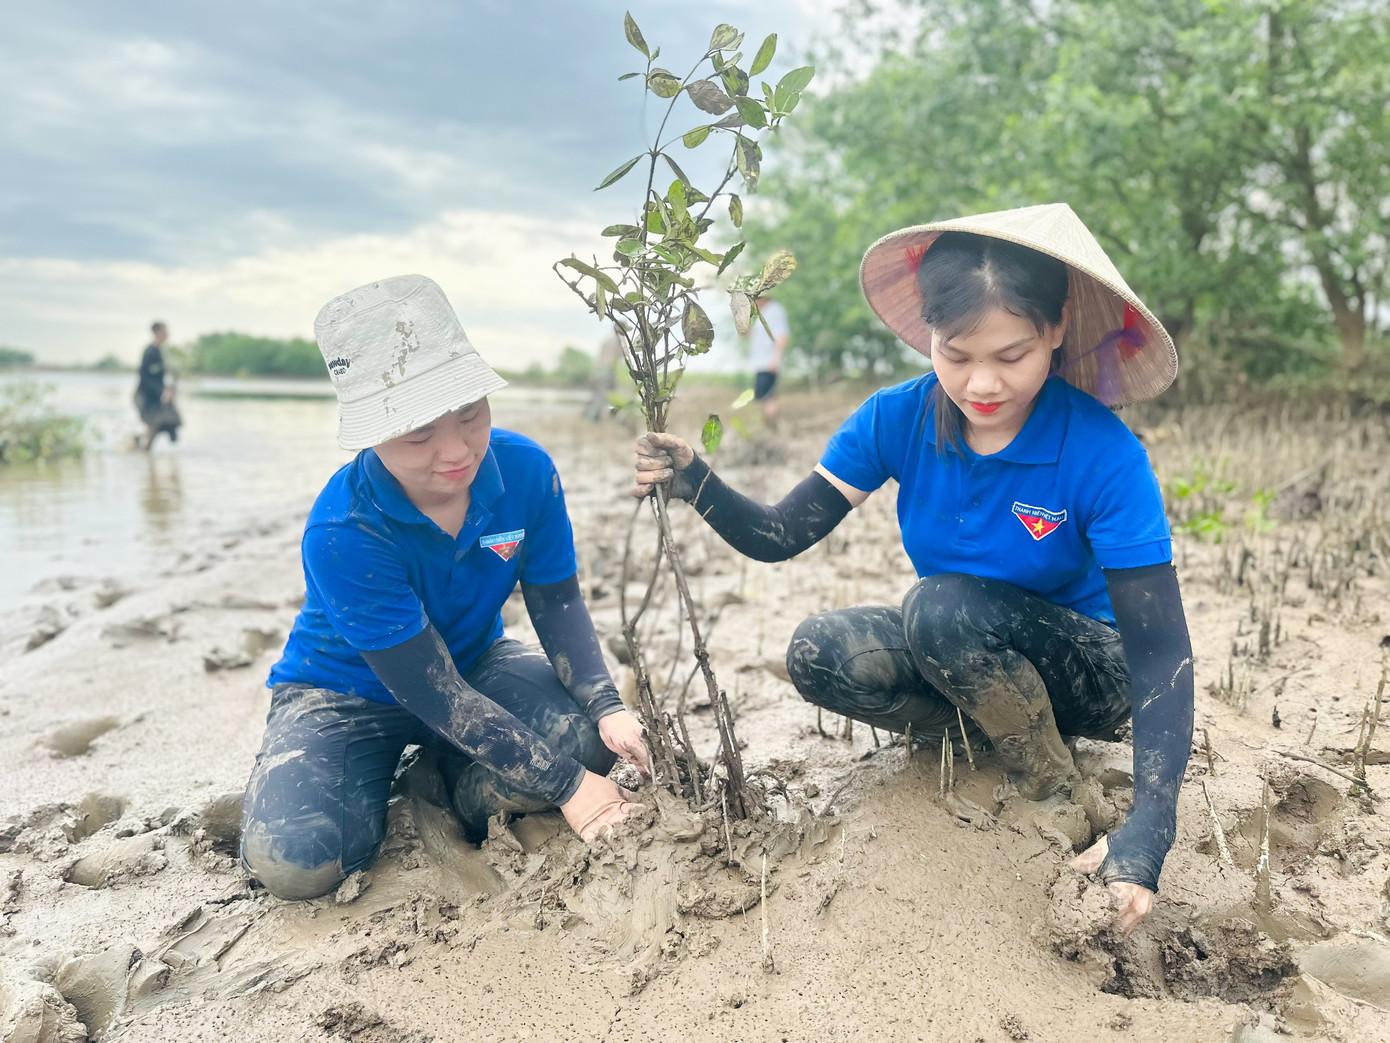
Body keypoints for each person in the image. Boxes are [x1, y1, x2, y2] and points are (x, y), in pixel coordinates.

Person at [634, 204, 1193, 933]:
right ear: (929, 332)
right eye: (956, 355)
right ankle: (984, 734)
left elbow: (1160, 650)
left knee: (940, 608)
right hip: (962, 644)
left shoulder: (1104, 453)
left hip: (1089, 668)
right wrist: (695, 482)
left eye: (1012, 356)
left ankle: (1052, 787)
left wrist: (1151, 822)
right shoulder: (894, 418)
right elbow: (781, 533)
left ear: (1056, 330)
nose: (981, 383)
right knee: (820, 653)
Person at [241, 274, 650, 901]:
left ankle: (442, 775)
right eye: (419, 434)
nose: (457, 451)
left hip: (472, 663)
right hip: (345, 691)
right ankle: (332, 773)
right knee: (299, 864)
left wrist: (605, 704)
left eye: (470, 415)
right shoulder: (343, 530)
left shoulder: (526, 471)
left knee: (586, 742)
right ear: (373, 435)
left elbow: (558, 600)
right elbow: (432, 691)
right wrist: (567, 787)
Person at [746, 294, 790, 426]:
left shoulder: (775, 311)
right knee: (765, 398)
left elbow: (782, 337)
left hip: (768, 363)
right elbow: (753, 337)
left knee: (769, 398)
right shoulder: (763, 314)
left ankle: (773, 426)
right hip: (761, 363)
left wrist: (776, 358)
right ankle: (770, 426)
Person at [135, 321, 181, 450]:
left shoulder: (160, 351)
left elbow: (160, 377)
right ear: (157, 332)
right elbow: (144, 377)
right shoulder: (150, 352)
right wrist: (162, 391)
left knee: (159, 424)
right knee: (154, 424)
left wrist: (168, 390)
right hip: (144, 396)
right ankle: (141, 449)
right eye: (164, 331)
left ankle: (139, 445)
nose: (167, 334)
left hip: (156, 396)